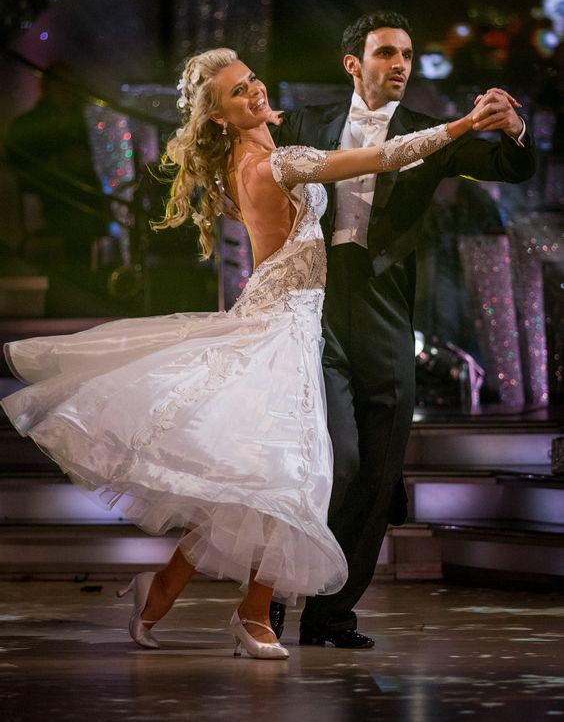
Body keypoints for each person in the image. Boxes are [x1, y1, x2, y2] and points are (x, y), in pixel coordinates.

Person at [1, 47, 498, 660]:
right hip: (281, 329)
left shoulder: (247, 157)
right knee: (284, 479)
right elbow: (384, 155)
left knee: (266, 483)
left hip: (290, 318)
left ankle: (175, 599)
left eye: (252, 82)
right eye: (238, 94)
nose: (254, 93)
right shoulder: (279, 162)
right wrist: (460, 126)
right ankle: (245, 613)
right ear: (218, 117)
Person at [269, 10, 536, 649]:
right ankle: (273, 594)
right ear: (353, 64)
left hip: (386, 307)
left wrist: (516, 128)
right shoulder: (305, 122)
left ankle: (333, 614)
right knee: (331, 458)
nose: (400, 65)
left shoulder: (429, 133)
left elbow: (511, 167)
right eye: (387, 53)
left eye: (408, 55)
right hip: (316, 301)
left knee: (379, 469)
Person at [5, 63, 108, 264]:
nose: (67, 90)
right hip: (56, 195)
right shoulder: (30, 123)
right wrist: (59, 162)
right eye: (61, 84)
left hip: (84, 196)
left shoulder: (85, 123)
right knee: (78, 220)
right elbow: (21, 164)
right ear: (48, 87)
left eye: (71, 85)